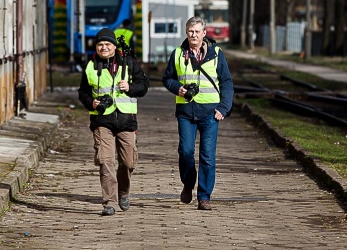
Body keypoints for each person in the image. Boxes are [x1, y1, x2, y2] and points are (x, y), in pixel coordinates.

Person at [162, 16, 234, 211]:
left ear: (204, 33)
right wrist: (178, 88)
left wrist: (223, 108)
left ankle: (204, 197)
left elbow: (226, 83)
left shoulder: (217, 54)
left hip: (211, 113)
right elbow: (167, 78)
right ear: (186, 33)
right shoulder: (177, 54)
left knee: (207, 156)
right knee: (185, 152)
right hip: (186, 112)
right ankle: (188, 183)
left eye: (197, 31)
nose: (193, 35)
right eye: (190, 31)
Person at [78, 27, 149, 216]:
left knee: (128, 163)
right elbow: (82, 92)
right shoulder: (90, 65)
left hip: (126, 120)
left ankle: (123, 192)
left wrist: (130, 87)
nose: (103, 48)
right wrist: (90, 103)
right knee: (106, 160)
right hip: (102, 120)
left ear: (114, 46)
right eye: (100, 44)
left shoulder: (129, 62)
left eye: (107, 44)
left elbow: (143, 87)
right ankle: (109, 202)